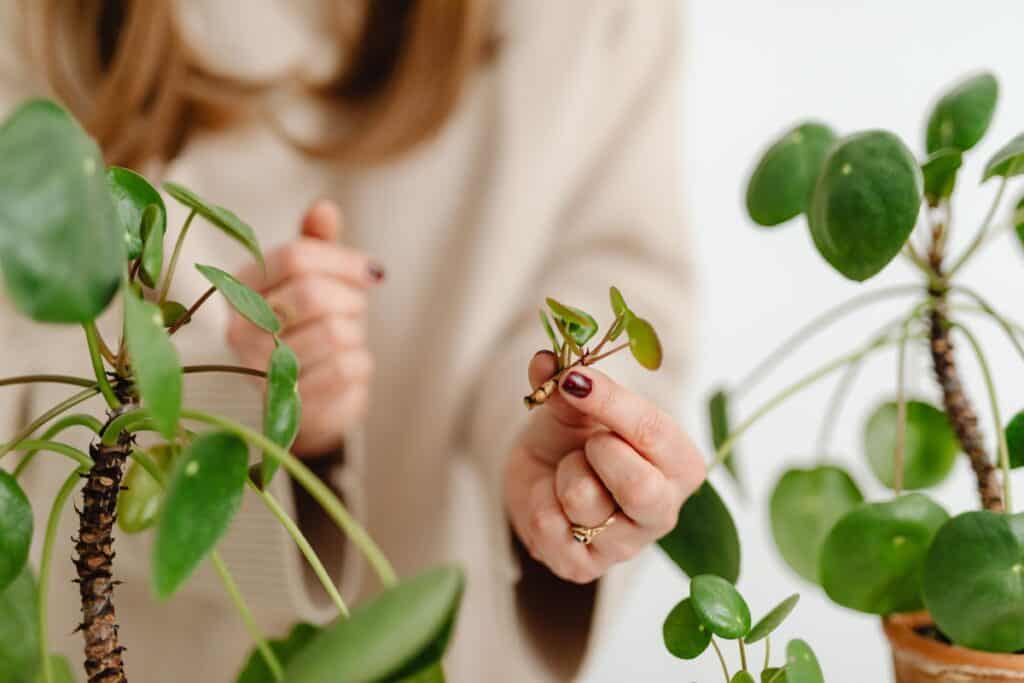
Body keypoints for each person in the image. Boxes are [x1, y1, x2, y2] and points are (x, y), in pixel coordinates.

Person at [0, 1, 704, 681]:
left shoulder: (594, 16)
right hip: (129, 643)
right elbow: (21, 376)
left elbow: (613, 264)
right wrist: (240, 416)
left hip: (445, 615)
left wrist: (570, 444)